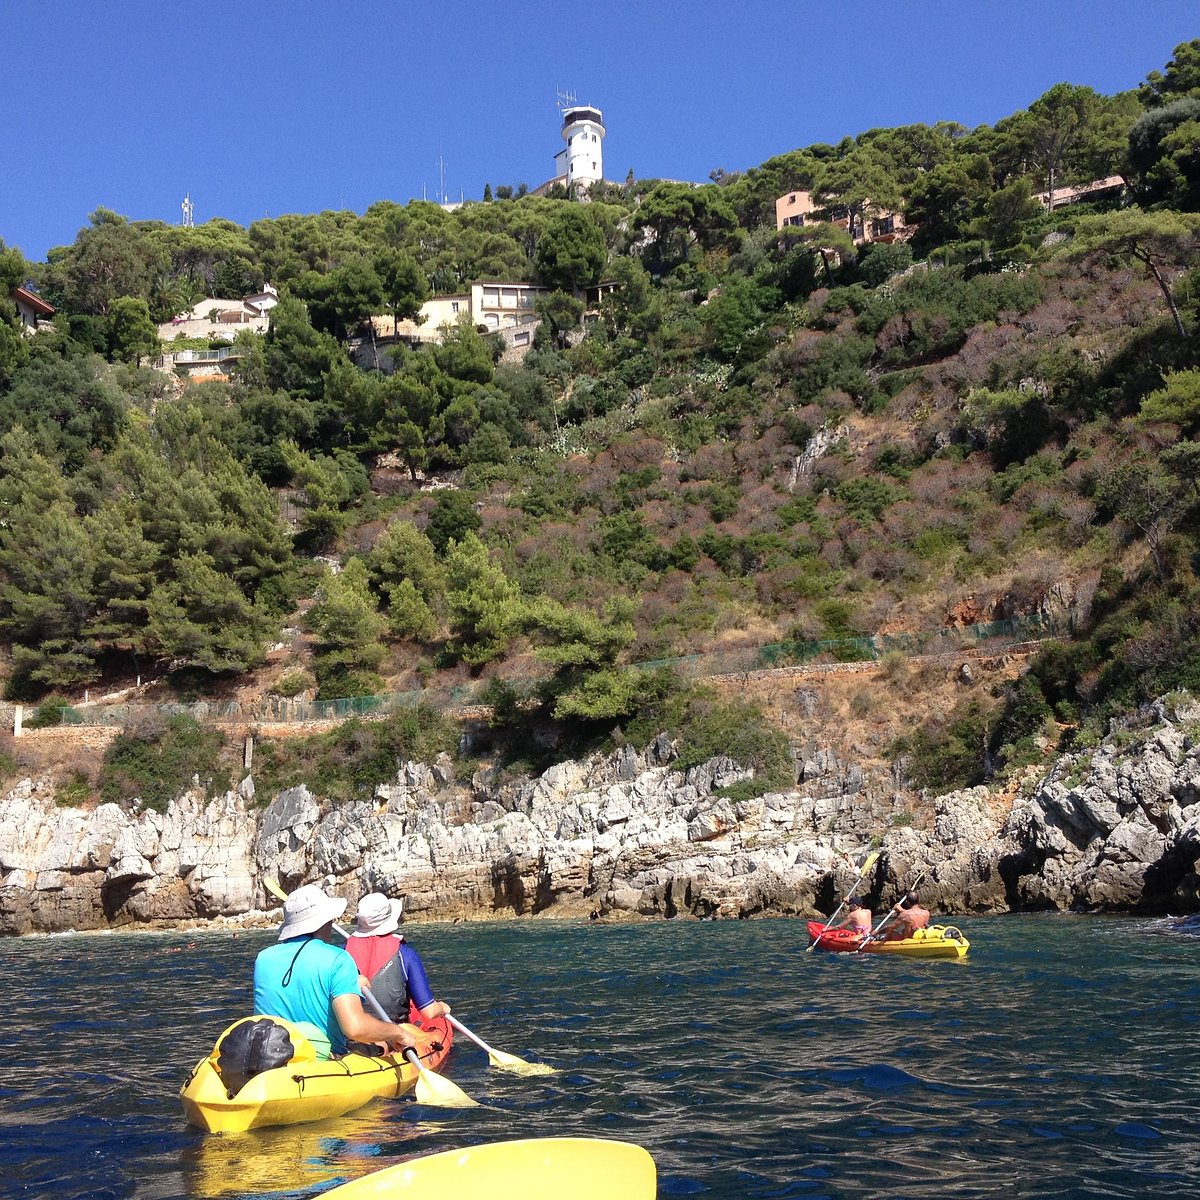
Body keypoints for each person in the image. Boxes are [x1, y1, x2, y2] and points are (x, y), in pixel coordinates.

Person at [254, 883, 422, 1060]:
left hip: (270, 1059)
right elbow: (355, 1028)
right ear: (324, 921)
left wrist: (348, 983)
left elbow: (301, 985)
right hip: (322, 1061)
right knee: (378, 1046)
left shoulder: (263, 959)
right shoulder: (338, 959)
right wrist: (398, 1033)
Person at [344, 892, 451, 1024]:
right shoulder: (405, 954)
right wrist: (442, 1008)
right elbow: (428, 1011)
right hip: (392, 1035)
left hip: (350, 1033)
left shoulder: (342, 952)